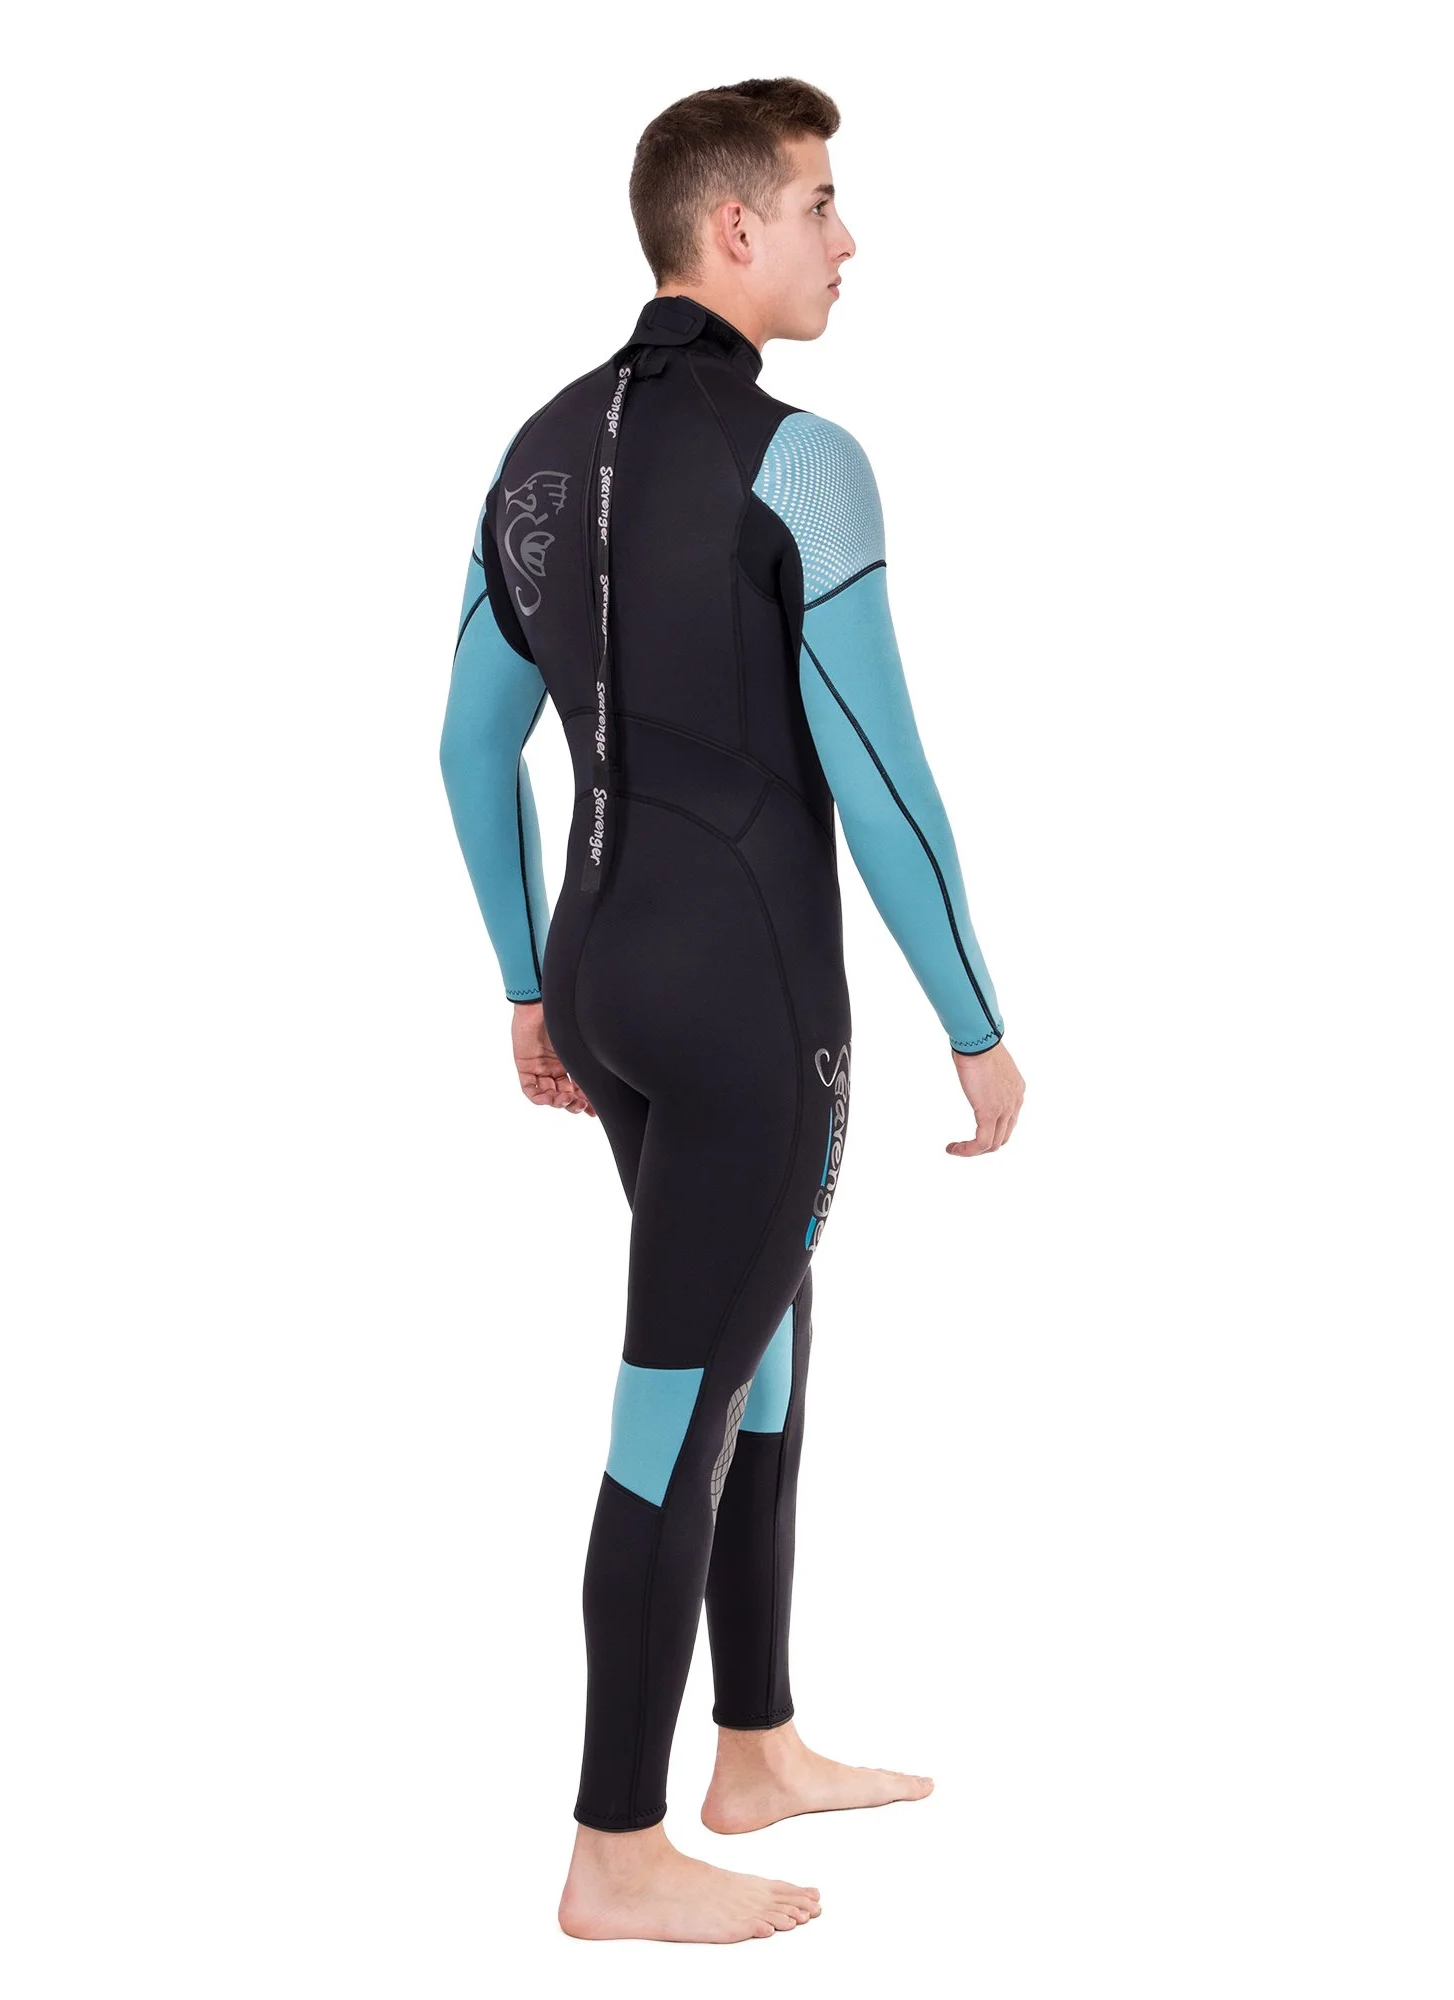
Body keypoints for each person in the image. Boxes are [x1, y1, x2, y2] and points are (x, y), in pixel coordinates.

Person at [438, 77, 1026, 1945]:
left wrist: (528, 981)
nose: (850, 241)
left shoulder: (533, 454)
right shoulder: (804, 462)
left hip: (608, 979)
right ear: (734, 227)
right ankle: (614, 1848)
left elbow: (467, 747)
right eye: (823, 203)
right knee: (673, 1396)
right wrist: (976, 1019)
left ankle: (753, 1745)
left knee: (749, 1324)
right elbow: (881, 774)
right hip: (749, 999)